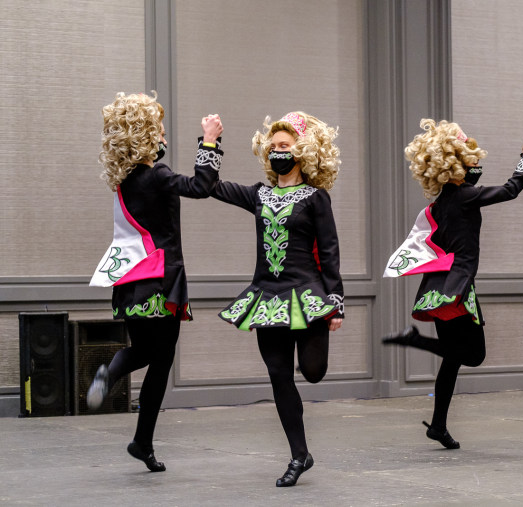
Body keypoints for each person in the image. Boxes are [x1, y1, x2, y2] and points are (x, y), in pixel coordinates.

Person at [382, 119, 523, 449]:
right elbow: (511, 190)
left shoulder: (439, 204)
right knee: (475, 355)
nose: (475, 164)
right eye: (470, 159)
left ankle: (438, 425)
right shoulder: (466, 195)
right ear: (454, 163)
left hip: (439, 286)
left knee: (453, 358)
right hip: (456, 287)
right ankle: (417, 342)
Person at [87, 92, 224, 472]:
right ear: (147, 135)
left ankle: (139, 437)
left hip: (131, 280)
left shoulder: (125, 182)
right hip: (161, 281)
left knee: (149, 354)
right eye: (160, 129)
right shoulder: (158, 176)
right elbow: (201, 186)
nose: (164, 135)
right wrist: (210, 140)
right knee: (159, 359)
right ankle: (131, 415)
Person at [211, 112, 344, 487]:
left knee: (314, 373)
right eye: (273, 148)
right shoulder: (258, 194)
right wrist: (210, 143)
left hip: (308, 296)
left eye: (284, 147)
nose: (277, 153)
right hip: (267, 298)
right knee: (279, 376)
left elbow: (330, 250)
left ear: (301, 153)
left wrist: (336, 301)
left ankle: (301, 450)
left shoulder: (317, 198)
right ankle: (299, 454)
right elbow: (213, 186)